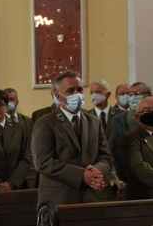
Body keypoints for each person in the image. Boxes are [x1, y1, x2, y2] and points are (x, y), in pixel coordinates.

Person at [31, 70, 123, 205]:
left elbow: (105, 156)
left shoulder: (93, 121)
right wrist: (81, 175)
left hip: (91, 195)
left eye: (80, 90)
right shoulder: (45, 123)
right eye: (70, 91)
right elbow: (43, 162)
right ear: (58, 95)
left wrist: (96, 171)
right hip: (59, 197)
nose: (77, 95)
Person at [118, 97, 153, 199]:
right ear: (137, 117)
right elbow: (139, 167)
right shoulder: (129, 138)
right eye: (147, 111)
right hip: (143, 200)